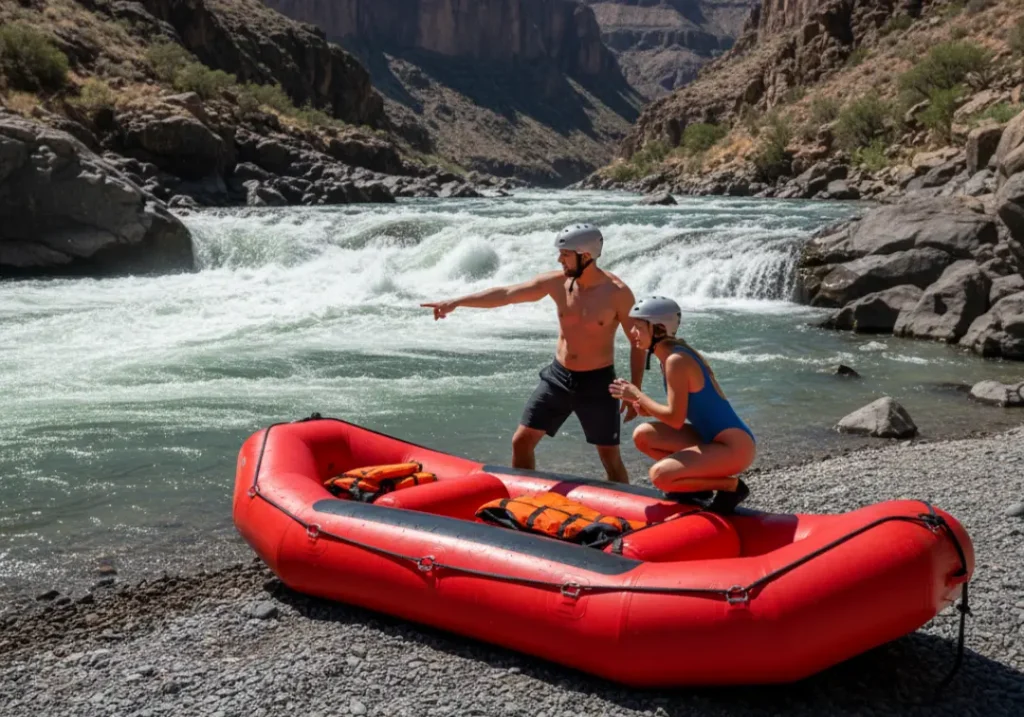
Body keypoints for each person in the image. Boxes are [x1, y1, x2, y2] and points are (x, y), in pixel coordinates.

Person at [421, 224, 646, 483]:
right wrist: (457, 302)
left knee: (610, 458)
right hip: (558, 378)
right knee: (522, 442)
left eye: (565, 254)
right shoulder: (556, 282)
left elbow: (637, 342)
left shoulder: (617, 293)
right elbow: (506, 295)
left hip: (597, 383)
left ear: (585, 256)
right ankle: (523, 500)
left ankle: (625, 514)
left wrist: (634, 390)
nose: (559, 259)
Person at [608, 295, 754, 511]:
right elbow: (680, 410)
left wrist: (637, 394)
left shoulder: (676, 361)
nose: (632, 333)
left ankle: (731, 486)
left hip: (734, 448)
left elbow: (675, 420)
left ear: (658, 330)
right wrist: (647, 409)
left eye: (638, 327)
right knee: (643, 436)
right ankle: (697, 487)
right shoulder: (669, 357)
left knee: (660, 476)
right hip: (710, 438)